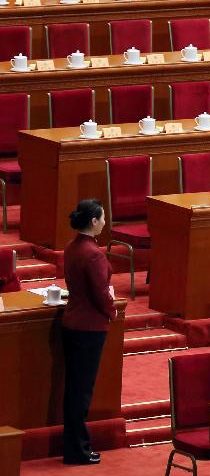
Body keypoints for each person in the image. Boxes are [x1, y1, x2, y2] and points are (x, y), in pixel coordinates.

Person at [61, 199, 115, 465]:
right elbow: (101, 294)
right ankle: (77, 450)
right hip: (89, 327)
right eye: (103, 218)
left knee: (73, 389)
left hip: (72, 323)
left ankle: (73, 446)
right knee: (81, 392)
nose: (105, 222)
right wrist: (112, 310)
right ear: (93, 221)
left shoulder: (72, 247)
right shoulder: (93, 253)